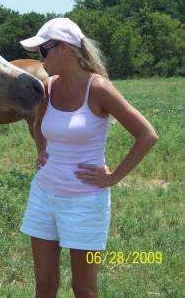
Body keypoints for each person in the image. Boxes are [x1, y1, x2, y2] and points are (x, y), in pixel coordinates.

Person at [19, 18, 158, 298]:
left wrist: (112, 177)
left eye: (43, 51)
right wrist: (42, 152)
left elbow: (147, 135)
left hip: (85, 203)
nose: (40, 58)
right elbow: (37, 125)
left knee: (84, 288)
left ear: (65, 49)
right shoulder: (48, 88)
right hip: (44, 196)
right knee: (44, 285)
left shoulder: (98, 89)